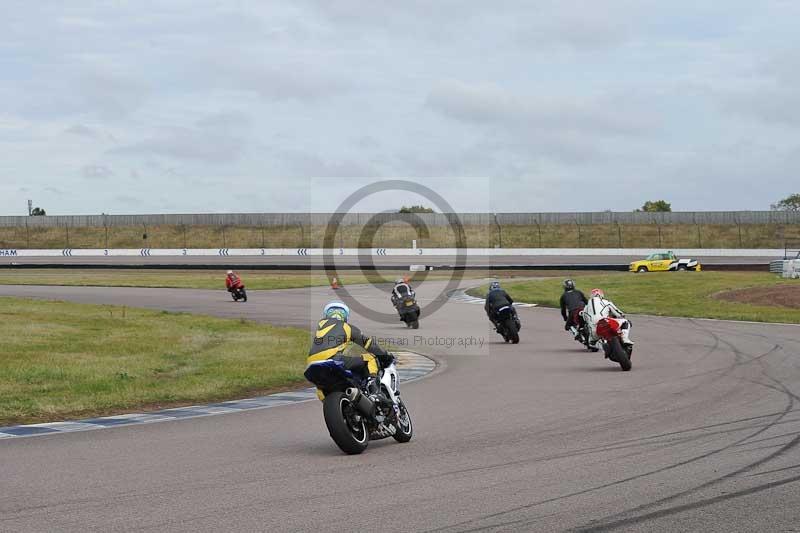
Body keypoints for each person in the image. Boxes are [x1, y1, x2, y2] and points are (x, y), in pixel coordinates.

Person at [306, 301, 394, 400]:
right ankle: (374, 392)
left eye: (340, 312)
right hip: (333, 359)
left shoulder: (318, 330)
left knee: (320, 390)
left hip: (311, 365)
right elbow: (369, 344)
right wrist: (385, 356)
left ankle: (342, 408)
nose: (336, 314)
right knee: (370, 358)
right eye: (332, 312)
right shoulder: (346, 327)